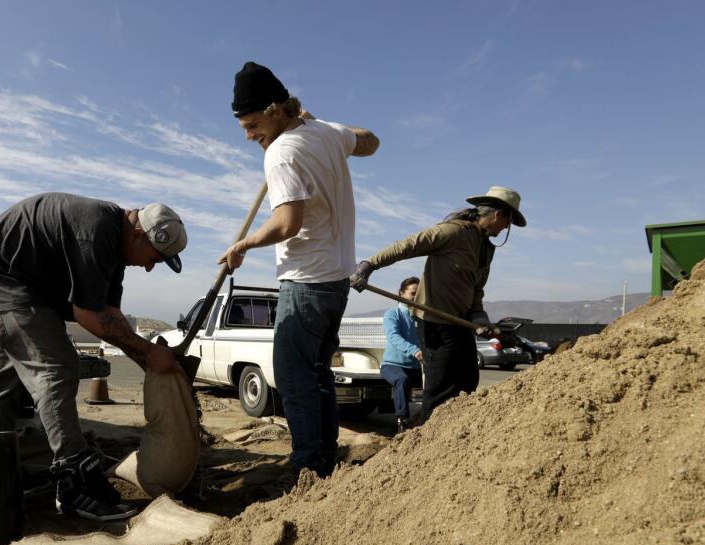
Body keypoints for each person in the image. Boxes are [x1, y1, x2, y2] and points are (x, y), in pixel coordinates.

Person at [0, 193, 187, 522]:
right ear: (139, 235)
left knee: (3, 385)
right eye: (153, 257)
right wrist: (148, 351)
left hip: (5, 278)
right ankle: (73, 485)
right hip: (6, 282)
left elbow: (111, 314)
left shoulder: (115, 248)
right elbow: (89, 317)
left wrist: (144, 358)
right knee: (58, 369)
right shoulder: (97, 232)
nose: (150, 266)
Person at [218, 61, 379, 482]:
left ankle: (308, 467)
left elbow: (288, 223)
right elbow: (370, 142)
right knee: (318, 374)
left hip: (306, 280)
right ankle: (324, 456)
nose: (249, 135)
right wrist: (318, 124)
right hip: (337, 278)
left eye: (253, 124)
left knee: (293, 379)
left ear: (275, 110)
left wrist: (244, 244)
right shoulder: (322, 132)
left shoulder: (281, 154)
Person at [350, 186, 527, 423]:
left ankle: (453, 435)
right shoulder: (453, 232)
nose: (506, 228)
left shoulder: (486, 249)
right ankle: (428, 438)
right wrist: (368, 266)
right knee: (441, 387)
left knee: (467, 381)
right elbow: (408, 245)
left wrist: (480, 320)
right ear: (498, 215)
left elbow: (476, 290)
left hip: (460, 324)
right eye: (508, 222)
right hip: (435, 324)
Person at [381, 276, 423, 434]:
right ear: (401, 293)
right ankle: (402, 422)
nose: (416, 298)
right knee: (402, 379)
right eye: (413, 293)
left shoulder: (422, 317)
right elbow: (393, 337)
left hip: (416, 367)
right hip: (392, 365)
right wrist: (415, 350)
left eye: (419, 294)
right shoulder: (392, 314)